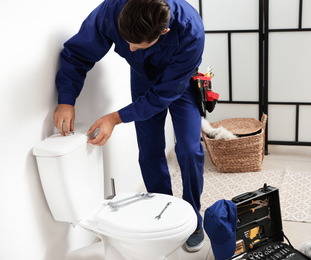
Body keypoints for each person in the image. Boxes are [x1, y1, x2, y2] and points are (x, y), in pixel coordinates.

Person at [53, 0, 205, 252]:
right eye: (126, 42)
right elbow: (78, 53)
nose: (130, 49)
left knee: (189, 150)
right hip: (143, 77)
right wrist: (66, 99)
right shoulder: (112, 10)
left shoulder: (191, 31)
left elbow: (162, 96)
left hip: (180, 82)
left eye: (138, 44)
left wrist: (115, 118)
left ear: (163, 32)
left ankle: (193, 218)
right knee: (149, 151)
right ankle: (162, 212)